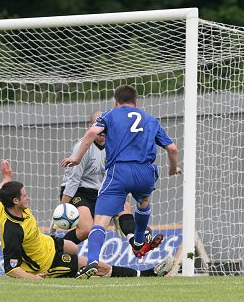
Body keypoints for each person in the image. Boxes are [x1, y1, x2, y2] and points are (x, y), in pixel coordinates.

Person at [60, 85, 181, 279]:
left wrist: (76, 158)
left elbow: (91, 133)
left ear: (116, 102)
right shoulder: (150, 119)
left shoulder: (111, 115)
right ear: (137, 101)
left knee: (100, 221)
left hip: (119, 171)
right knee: (142, 204)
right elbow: (172, 148)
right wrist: (173, 167)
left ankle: (92, 260)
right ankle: (139, 240)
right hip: (145, 171)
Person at [0, 159, 175, 279]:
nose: (27, 198)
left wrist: (6, 177)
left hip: (48, 244)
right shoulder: (13, 231)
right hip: (47, 263)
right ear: (15, 201)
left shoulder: (3, 204)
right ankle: (145, 274)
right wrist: (33, 278)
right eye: (24, 196)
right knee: (94, 266)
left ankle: (80, 270)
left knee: (72, 247)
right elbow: (10, 268)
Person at [59, 111, 152, 246]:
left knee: (125, 206)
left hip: (102, 192)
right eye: (98, 129)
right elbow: (74, 180)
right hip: (78, 192)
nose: (102, 134)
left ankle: (136, 242)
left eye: (105, 130)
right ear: (90, 127)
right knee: (86, 230)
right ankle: (57, 250)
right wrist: (63, 207)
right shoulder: (83, 147)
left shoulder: (115, 146)